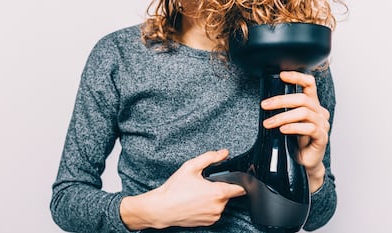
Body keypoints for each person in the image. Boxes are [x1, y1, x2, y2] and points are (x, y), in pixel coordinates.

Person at [50, 0, 346, 232]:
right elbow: (67, 199)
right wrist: (151, 211)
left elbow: (318, 216)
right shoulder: (119, 55)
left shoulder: (295, 60)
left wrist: (313, 171)